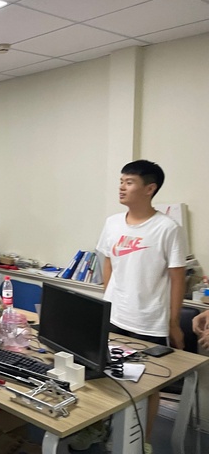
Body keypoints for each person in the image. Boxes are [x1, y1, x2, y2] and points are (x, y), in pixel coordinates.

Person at [71, 160, 187, 454]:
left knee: (147, 386)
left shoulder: (168, 228)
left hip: (149, 320)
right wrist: (108, 299)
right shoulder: (112, 223)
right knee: (102, 377)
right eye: (121, 181)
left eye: (130, 182)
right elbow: (108, 263)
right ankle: (98, 428)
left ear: (150, 188)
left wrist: (173, 323)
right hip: (114, 315)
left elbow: (177, 278)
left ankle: (142, 440)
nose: (122, 187)